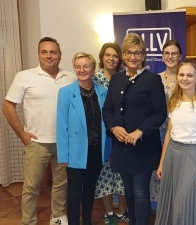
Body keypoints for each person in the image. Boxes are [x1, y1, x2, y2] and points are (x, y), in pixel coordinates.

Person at [2, 37, 75, 225]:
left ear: (60, 55)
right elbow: (8, 106)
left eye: (53, 52)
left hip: (63, 142)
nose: (49, 56)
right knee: (31, 187)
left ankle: (57, 217)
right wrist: (22, 134)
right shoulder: (24, 76)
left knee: (61, 184)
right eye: (45, 52)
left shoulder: (71, 77)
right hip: (36, 143)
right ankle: (29, 222)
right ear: (38, 54)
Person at [102, 33, 167, 225]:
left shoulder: (152, 79)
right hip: (122, 147)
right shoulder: (116, 79)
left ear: (143, 55)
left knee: (140, 192)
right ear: (123, 54)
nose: (133, 57)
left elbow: (160, 112)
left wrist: (140, 131)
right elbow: (107, 109)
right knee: (128, 191)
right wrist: (113, 128)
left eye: (137, 53)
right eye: (129, 52)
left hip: (143, 146)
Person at [155, 59, 196, 225]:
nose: (185, 78)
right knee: (170, 203)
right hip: (172, 155)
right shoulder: (173, 101)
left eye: (190, 75)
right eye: (182, 74)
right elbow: (169, 133)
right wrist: (162, 163)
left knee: (184, 205)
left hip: (194, 156)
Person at [57, 52, 108, 225]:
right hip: (75, 153)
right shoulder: (65, 93)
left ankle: (87, 221)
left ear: (93, 68)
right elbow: (61, 125)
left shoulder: (103, 92)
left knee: (89, 192)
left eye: (86, 66)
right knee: (73, 195)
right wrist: (63, 155)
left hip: (95, 151)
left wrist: (107, 151)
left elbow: (107, 125)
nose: (82, 70)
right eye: (78, 66)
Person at [92, 43, 129, 225]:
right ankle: (109, 212)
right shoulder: (94, 78)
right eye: (108, 55)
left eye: (115, 55)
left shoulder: (124, 78)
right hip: (100, 133)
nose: (111, 59)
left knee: (122, 173)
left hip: (121, 132)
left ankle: (122, 211)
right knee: (104, 175)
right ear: (102, 57)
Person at [150, 39, 182, 203]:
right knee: (157, 169)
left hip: (176, 132)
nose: (170, 56)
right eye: (167, 53)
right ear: (162, 56)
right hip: (156, 131)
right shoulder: (155, 78)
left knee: (174, 172)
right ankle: (160, 210)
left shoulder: (184, 79)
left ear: (180, 56)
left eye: (174, 53)